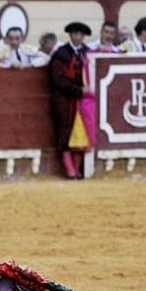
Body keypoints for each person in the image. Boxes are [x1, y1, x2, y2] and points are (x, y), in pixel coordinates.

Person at [48, 21, 91, 180]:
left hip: (82, 101)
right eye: (75, 34)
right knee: (65, 132)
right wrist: (78, 90)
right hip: (64, 99)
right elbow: (57, 80)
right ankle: (70, 169)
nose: (78, 37)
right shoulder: (61, 54)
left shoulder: (88, 52)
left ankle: (77, 168)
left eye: (80, 34)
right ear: (70, 35)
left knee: (80, 132)